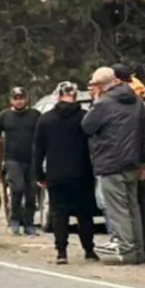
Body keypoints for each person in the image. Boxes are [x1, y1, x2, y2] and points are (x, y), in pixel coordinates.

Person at [81, 67, 145, 264]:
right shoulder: (136, 101)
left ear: (101, 85)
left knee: (118, 210)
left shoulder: (104, 103)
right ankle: (138, 249)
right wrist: (143, 162)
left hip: (110, 162)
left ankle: (126, 251)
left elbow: (87, 126)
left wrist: (94, 101)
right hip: (133, 162)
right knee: (133, 207)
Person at [33, 81, 98, 264]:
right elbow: (93, 146)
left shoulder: (45, 120)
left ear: (58, 96)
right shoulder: (85, 118)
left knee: (59, 214)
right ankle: (89, 250)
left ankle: (61, 251)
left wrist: (39, 175)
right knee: (84, 214)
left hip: (56, 174)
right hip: (82, 173)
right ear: (75, 96)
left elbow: (38, 150)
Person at [113, 63, 145, 264]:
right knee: (139, 205)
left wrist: (144, 163)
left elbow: (142, 135)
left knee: (139, 206)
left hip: (133, 160)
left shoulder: (130, 99)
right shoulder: (135, 94)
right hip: (134, 158)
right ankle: (144, 248)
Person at [0, 87, 41, 236]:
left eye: (21, 97)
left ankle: (29, 223)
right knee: (17, 188)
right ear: (11, 100)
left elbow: (42, 135)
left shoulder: (35, 115)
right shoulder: (4, 116)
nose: (19, 100)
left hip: (32, 159)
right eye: (16, 98)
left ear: (26, 99)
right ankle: (15, 219)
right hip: (12, 158)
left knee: (31, 193)